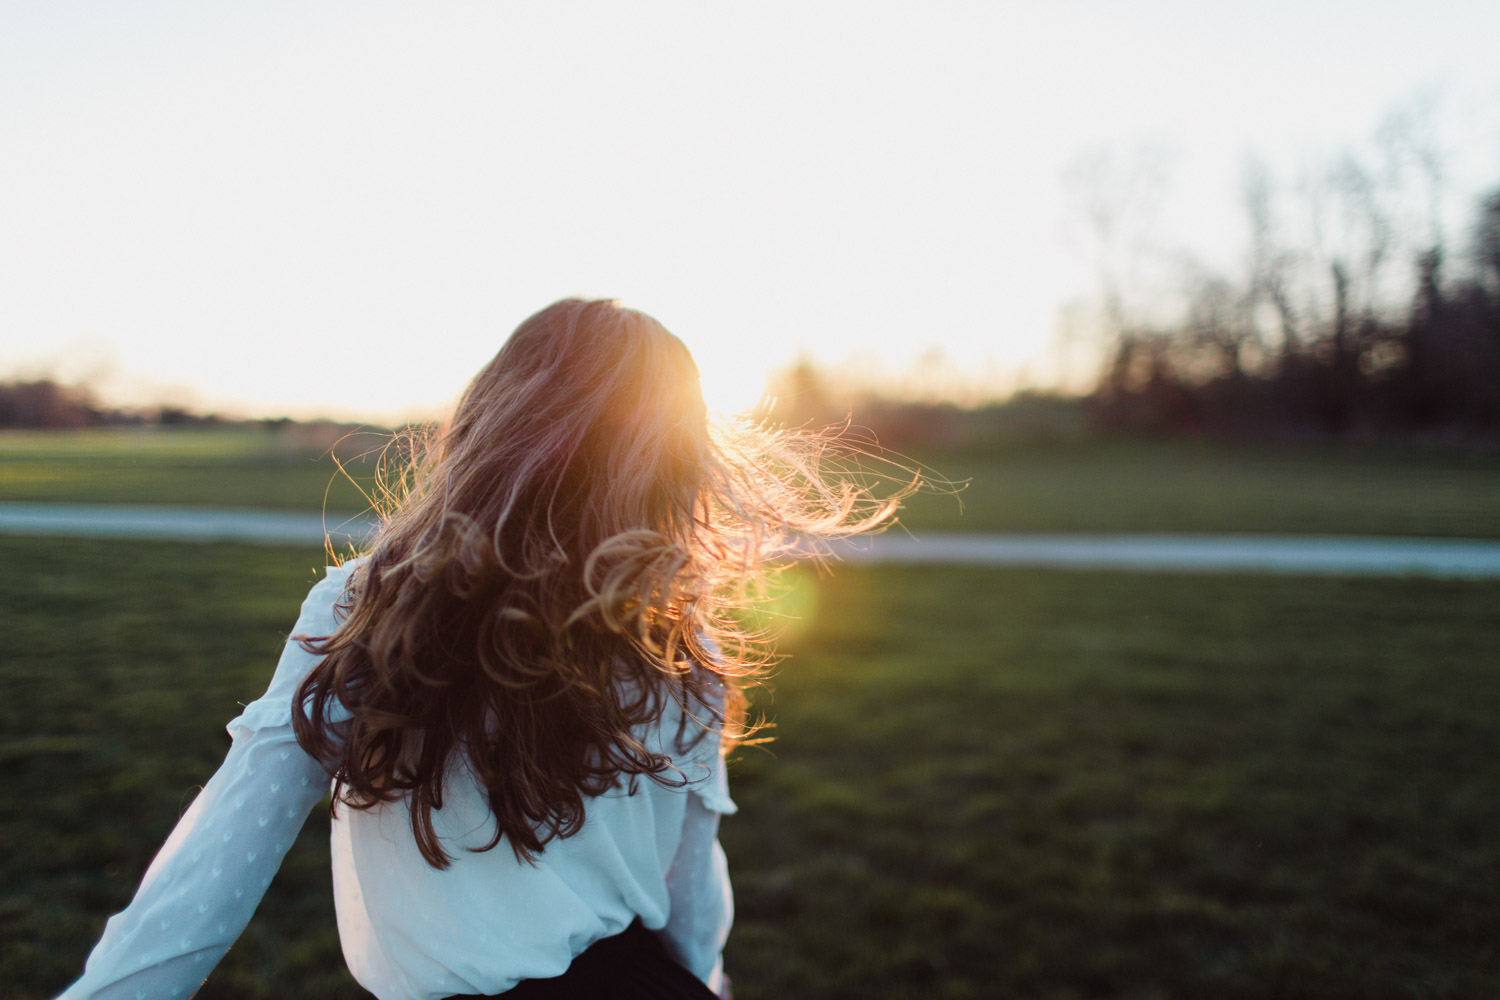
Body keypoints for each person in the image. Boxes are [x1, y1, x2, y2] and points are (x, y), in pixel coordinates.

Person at [58, 299, 905, 999]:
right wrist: (711, 982)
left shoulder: (366, 604)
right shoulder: (678, 636)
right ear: (676, 466)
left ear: (487, 426)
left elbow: (217, 862)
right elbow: (691, 893)